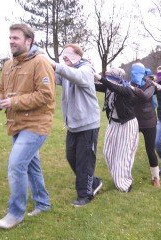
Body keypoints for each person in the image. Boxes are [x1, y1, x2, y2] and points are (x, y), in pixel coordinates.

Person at [0, 24, 55, 229]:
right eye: (10, 37)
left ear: (28, 41)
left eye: (16, 38)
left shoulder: (40, 62)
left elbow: (46, 95)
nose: (11, 41)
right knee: (31, 166)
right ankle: (43, 203)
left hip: (36, 124)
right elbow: (1, 91)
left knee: (16, 164)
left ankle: (15, 213)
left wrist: (15, 102)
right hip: (16, 124)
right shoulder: (8, 65)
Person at [53, 43, 102, 207]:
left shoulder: (86, 69)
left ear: (78, 55)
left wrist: (55, 65)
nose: (64, 57)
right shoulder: (68, 69)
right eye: (63, 55)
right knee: (71, 156)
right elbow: (56, 77)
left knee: (84, 160)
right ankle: (93, 182)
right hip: (73, 124)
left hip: (88, 123)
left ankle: (85, 194)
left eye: (68, 54)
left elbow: (77, 77)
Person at [95, 67, 139, 192]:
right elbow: (96, 86)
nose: (109, 81)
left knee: (123, 155)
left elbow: (114, 87)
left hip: (127, 124)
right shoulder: (110, 87)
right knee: (108, 152)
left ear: (118, 79)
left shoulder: (127, 89)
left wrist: (101, 78)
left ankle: (125, 184)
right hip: (113, 123)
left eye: (111, 78)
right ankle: (118, 177)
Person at [130, 63, 160, 187]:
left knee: (150, 150)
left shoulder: (150, 85)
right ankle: (126, 177)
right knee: (129, 149)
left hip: (149, 122)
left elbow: (146, 96)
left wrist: (132, 89)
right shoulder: (130, 84)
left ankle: (156, 177)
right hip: (133, 121)